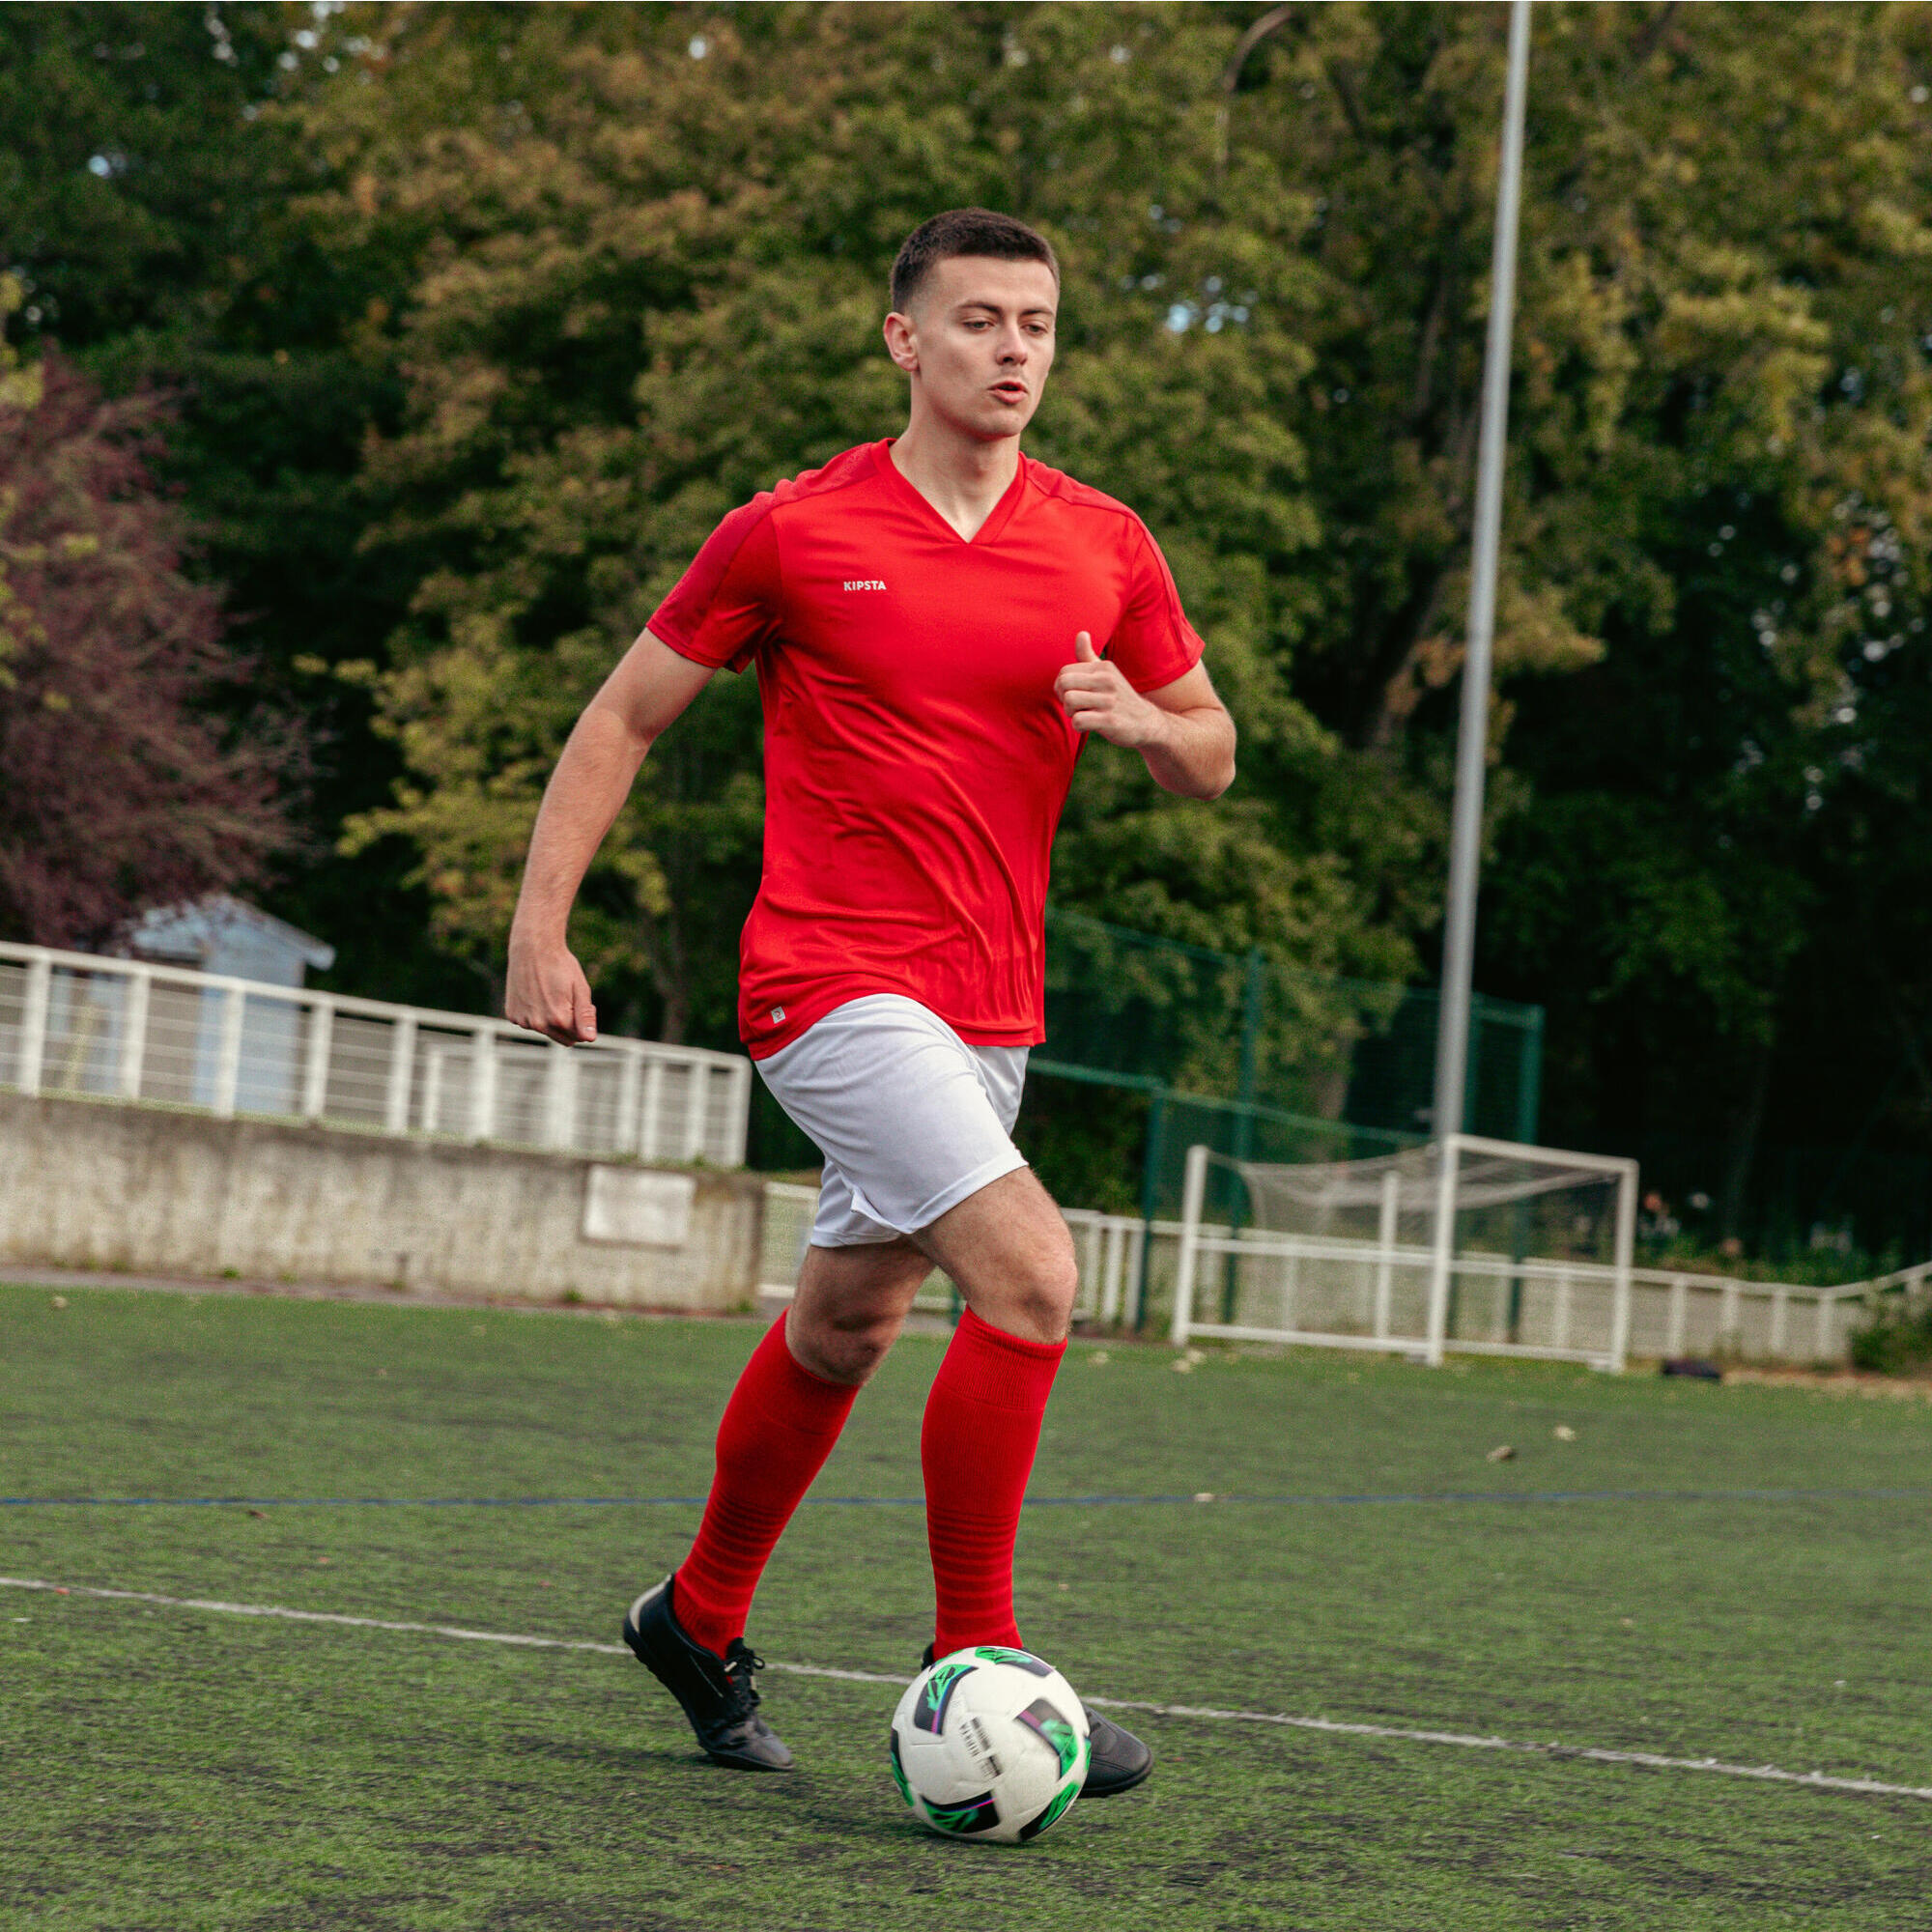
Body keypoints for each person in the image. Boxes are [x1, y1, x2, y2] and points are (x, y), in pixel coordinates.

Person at [504, 208, 1236, 1795]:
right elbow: (625, 717)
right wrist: (539, 926)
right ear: (905, 339)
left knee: (846, 1324)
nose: (1014, 350)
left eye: (1037, 323)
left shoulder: (1105, 542)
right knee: (1036, 1278)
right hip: (829, 983)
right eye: (979, 321)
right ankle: (976, 1659)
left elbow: (1214, 745)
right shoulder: (790, 528)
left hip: (994, 1012)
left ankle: (695, 1619)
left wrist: (1151, 730)